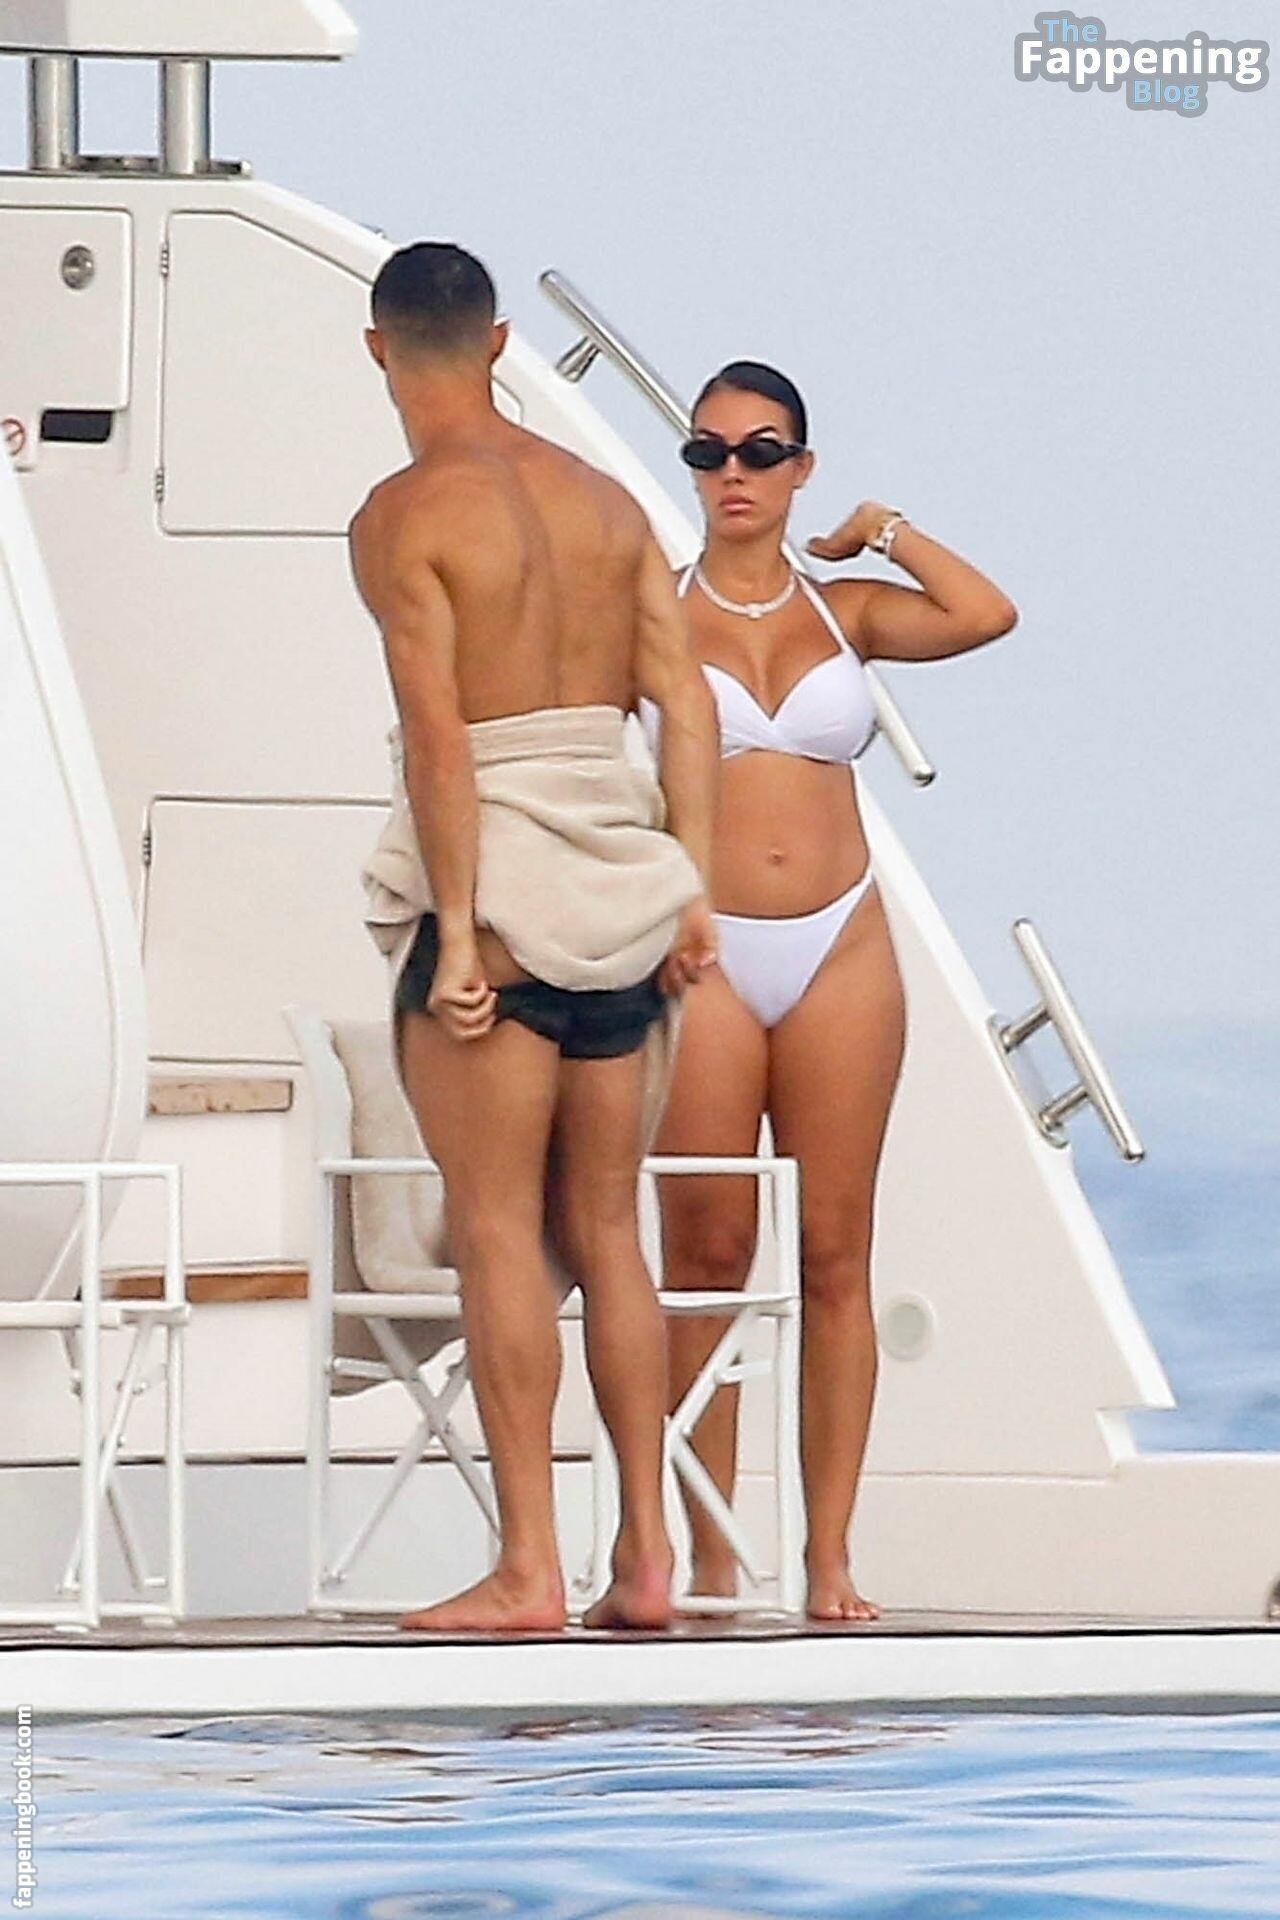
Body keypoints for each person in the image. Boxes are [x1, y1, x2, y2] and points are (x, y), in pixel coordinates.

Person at [351, 243, 719, 1634]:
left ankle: (527, 1571)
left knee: (500, 1225)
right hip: (622, 893)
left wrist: (456, 932)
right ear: (500, 342)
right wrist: (689, 888)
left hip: (500, 891)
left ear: (378, 350)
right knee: (609, 1231)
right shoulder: (608, 505)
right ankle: (646, 1557)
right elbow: (685, 705)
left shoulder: (402, 516)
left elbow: (440, 739)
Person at [640, 360, 1018, 1621]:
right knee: (705, 1253)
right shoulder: (650, 611)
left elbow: (984, 614)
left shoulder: (843, 607)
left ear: (799, 468)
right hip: (702, 950)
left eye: (760, 451)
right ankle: (705, 1556)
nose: (732, 473)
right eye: (707, 452)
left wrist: (883, 529)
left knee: (835, 1251)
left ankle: (828, 1560)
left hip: (838, 943)